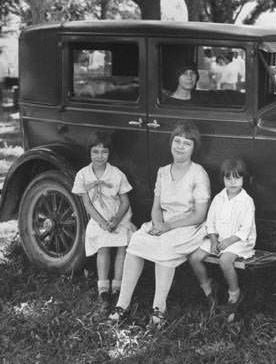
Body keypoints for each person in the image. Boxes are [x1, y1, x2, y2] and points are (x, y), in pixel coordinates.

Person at [109, 120, 211, 328]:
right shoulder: (163, 171)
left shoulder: (198, 173)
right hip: (163, 222)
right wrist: (157, 224)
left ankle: (158, 310)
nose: (180, 147)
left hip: (188, 226)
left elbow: (200, 215)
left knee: (164, 247)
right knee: (137, 240)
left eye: (187, 143)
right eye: (177, 141)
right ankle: (122, 305)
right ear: (171, 143)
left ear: (194, 149)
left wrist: (168, 228)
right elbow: (156, 206)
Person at [71, 131, 135, 308]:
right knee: (103, 246)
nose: (100, 156)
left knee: (123, 245)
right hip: (99, 219)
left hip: (119, 218)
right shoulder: (83, 175)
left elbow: (124, 201)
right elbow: (88, 204)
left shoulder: (116, 174)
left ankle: (118, 285)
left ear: (109, 153)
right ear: (89, 153)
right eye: (95, 152)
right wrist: (103, 223)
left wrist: (115, 220)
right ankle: (103, 288)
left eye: (104, 152)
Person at [189, 158, 256, 319]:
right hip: (218, 238)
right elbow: (210, 221)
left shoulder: (247, 201)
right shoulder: (219, 198)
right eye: (228, 178)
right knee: (194, 258)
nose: (232, 182)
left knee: (225, 260)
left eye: (237, 178)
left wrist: (227, 242)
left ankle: (234, 294)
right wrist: (213, 240)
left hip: (238, 241)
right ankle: (209, 291)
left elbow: (245, 229)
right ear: (223, 179)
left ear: (243, 179)